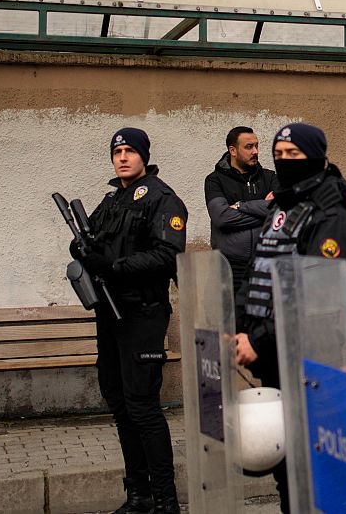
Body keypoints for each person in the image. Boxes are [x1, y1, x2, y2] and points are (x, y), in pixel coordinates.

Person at [231, 122, 346, 514]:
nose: (285, 162)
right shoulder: (283, 206)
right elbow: (257, 272)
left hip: (312, 359)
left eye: (295, 155)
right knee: (288, 471)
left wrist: (259, 341)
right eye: (280, 155)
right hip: (275, 357)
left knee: (315, 468)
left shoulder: (332, 213)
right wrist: (237, 328)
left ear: (318, 157)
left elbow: (315, 296)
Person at [71, 127, 189, 514]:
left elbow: (166, 257)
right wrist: (82, 247)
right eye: (117, 151)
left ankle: (166, 502)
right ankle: (139, 496)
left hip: (142, 313)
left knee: (143, 406)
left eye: (130, 151)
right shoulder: (112, 200)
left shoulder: (162, 199)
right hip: (110, 313)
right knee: (120, 404)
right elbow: (95, 241)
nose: (122, 157)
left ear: (144, 156)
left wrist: (114, 266)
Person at [203, 126, 280, 298]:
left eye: (257, 146)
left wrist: (241, 206)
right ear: (233, 150)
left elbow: (280, 210)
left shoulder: (270, 177)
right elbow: (222, 218)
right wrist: (263, 212)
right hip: (230, 267)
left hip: (265, 264)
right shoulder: (215, 181)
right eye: (249, 147)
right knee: (230, 322)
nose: (255, 151)